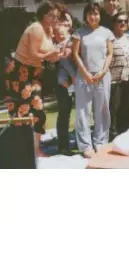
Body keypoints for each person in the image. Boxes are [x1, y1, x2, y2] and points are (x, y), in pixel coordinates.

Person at [5, 2, 67, 157]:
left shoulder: (49, 30)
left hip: (36, 71)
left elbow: (47, 56)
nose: (54, 19)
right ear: (43, 15)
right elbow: (34, 54)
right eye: (51, 15)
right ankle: (21, 150)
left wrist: (58, 55)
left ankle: (36, 149)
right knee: (22, 110)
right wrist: (52, 53)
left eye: (56, 16)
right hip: (20, 71)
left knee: (38, 108)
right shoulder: (36, 29)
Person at [73, 2, 114, 157]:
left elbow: (110, 54)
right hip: (84, 77)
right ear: (86, 16)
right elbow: (75, 54)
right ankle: (85, 146)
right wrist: (85, 73)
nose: (93, 16)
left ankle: (100, 142)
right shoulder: (79, 33)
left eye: (96, 13)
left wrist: (103, 72)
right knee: (83, 111)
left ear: (100, 15)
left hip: (102, 76)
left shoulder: (107, 33)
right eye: (90, 13)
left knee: (102, 110)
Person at [108, 12, 129, 140]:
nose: (123, 23)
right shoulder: (110, 39)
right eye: (120, 21)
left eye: (125, 21)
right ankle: (113, 134)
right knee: (114, 108)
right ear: (114, 24)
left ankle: (125, 133)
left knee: (127, 107)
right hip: (115, 78)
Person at [53, 10, 78, 153]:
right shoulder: (54, 38)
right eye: (63, 20)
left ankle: (81, 141)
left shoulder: (75, 38)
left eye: (68, 20)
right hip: (63, 83)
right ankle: (63, 145)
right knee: (64, 112)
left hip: (78, 78)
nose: (66, 23)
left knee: (82, 112)